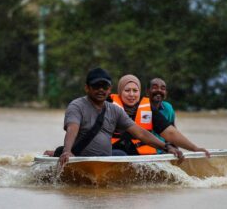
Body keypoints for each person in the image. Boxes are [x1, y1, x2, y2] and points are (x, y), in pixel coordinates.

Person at [48, 68, 183, 166]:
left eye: (104, 86)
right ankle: (57, 153)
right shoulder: (76, 106)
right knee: (63, 151)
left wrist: (167, 147)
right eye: (96, 86)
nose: (101, 90)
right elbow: (72, 129)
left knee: (122, 156)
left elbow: (141, 133)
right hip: (80, 157)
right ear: (87, 88)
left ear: (109, 89)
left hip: (106, 159)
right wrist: (66, 151)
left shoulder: (114, 110)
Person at [110, 74, 210, 157]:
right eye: (127, 90)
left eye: (135, 91)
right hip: (115, 152)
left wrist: (194, 148)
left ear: (139, 92)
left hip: (142, 155)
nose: (131, 94)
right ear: (120, 92)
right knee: (120, 154)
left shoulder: (148, 108)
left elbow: (170, 132)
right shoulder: (108, 105)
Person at [146, 78, 176, 153]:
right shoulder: (140, 107)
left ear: (166, 93)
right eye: (155, 87)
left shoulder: (168, 108)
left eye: (163, 88)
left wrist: (173, 148)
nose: (159, 90)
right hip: (144, 152)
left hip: (163, 151)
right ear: (147, 92)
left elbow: (172, 132)